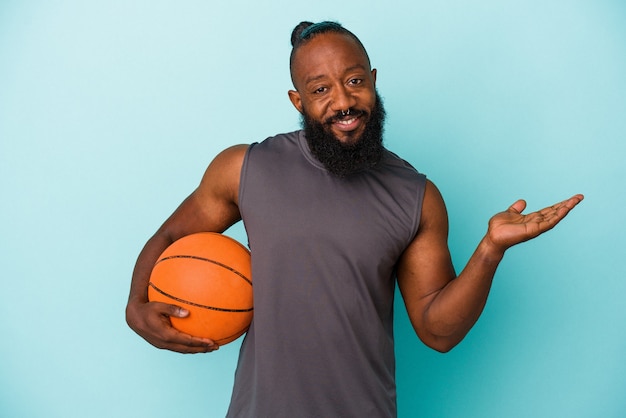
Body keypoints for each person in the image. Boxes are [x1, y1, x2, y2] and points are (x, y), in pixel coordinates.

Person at [126, 21, 583, 417]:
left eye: (355, 81)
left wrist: (489, 251)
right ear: (297, 100)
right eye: (320, 89)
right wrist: (135, 306)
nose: (343, 101)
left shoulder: (416, 196)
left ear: (374, 81)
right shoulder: (244, 168)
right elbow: (171, 235)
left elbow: (437, 331)